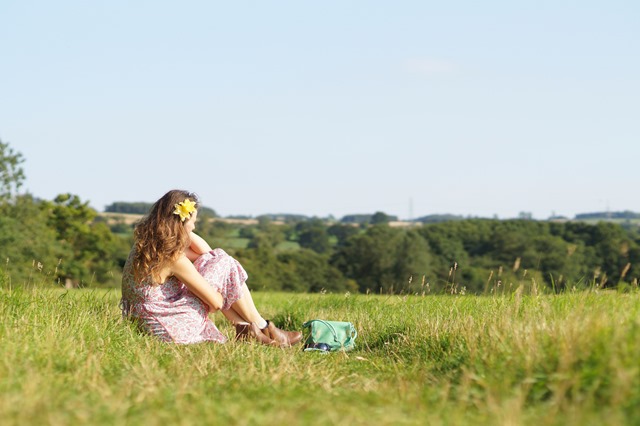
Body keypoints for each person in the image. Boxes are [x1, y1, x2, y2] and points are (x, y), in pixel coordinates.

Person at [120, 189, 302, 347]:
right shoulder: (172, 258)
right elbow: (215, 304)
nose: (193, 226)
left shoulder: (146, 246)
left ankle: (249, 329)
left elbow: (207, 255)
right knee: (224, 265)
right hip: (168, 326)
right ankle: (261, 326)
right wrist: (220, 288)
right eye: (193, 222)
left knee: (223, 262)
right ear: (182, 222)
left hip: (147, 319)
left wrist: (182, 229)